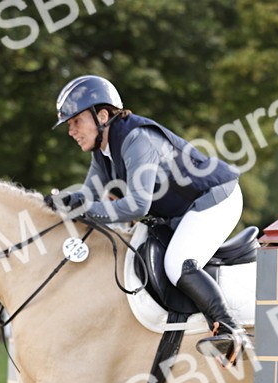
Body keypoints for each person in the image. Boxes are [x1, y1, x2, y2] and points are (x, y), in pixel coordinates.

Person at [49, 75, 250, 365]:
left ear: (102, 115)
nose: (71, 131)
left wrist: (84, 207)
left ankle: (231, 330)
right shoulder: (103, 153)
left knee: (178, 263)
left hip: (217, 197)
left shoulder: (136, 139)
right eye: (69, 124)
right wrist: (58, 205)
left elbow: (137, 206)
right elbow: (87, 195)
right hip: (184, 209)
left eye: (76, 121)